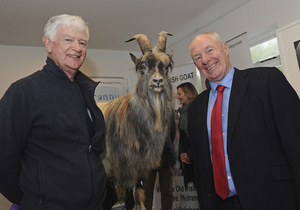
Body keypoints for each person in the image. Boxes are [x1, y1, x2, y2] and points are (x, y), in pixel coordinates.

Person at [0, 14, 106, 209]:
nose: (77, 48)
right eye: (68, 40)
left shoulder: (85, 91)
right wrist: (33, 200)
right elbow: (4, 159)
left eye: (82, 42)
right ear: (48, 44)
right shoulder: (24, 92)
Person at [188, 31, 300, 210]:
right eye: (198, 57)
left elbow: (296, 145)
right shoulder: (196, 108)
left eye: (210, 50)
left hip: (273, 200)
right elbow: (201, 168)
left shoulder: (267, 81)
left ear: (225, 48)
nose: (206, 59)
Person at [143, 114, 176, 210]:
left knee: (167, 192)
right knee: (147, 193)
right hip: (148, 157)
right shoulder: (143, 105)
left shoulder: (167, 106)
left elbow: (172, 130)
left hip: (166, 155)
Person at [176, 82, 198, 187]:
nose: (177, 97)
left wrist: (189, 154)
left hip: (196, 158)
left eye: (180, 94)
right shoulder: (184, 111)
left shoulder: (196, 109)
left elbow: (198, 137)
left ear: (188, 94)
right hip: (187, 158)